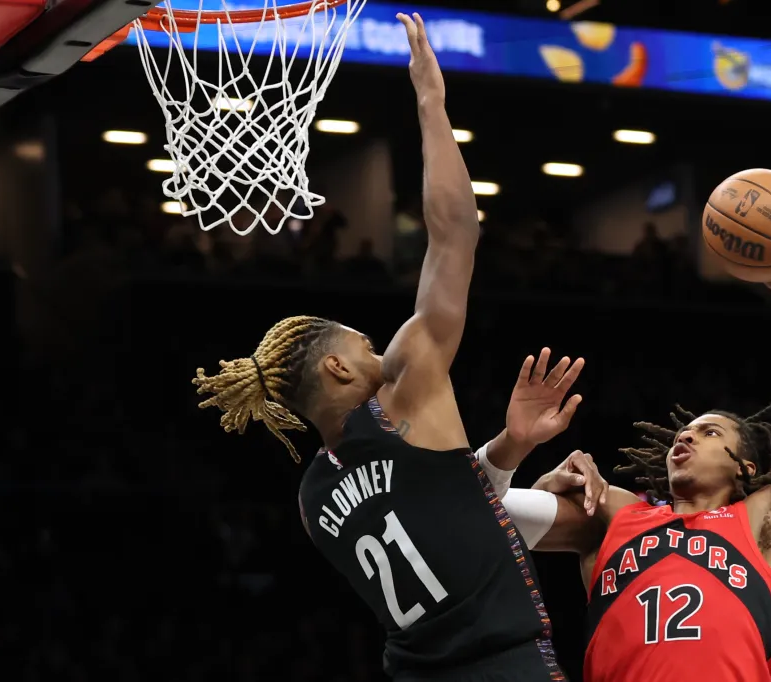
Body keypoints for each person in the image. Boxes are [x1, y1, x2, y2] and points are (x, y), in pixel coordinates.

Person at [191, 13, 584, 682]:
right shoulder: (403, 395)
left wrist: (508, 450)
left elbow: (438, 514)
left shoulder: (313, 498)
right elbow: (456, 233)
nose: (383, 350)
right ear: (338, 366)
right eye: (367, 343)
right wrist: (431, 100)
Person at [501, 217, 771, 681]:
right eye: (684, 432)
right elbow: (499, 523)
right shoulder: (617, 511)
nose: (686, 436)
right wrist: (535, 471)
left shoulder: (767, 524)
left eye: (710, 433)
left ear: (745, 468)